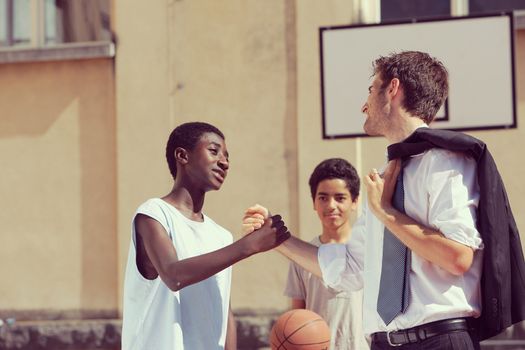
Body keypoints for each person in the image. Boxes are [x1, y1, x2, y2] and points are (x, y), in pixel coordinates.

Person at [243, 51, 525, 349]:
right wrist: (277, 238)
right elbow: (349, 269)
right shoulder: (383, 178)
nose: (364, 105)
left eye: (370, 90)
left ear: (392, 89)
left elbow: (457, 257)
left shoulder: (444, 162)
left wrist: (386, 212)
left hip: (438, 340)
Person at [122, 122, 290, 350]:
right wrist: (248, 245)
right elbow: (174, 275)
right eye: (214, 151)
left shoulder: (220, 235)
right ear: (182, 156)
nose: (225, 162)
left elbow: (224, 312)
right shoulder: (153, 213)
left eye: (227, 156)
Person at [284, 158, 369, 349]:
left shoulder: (368, 252)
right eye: (323, 197)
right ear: (314, 202)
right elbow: (297, 316)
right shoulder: (302, 257)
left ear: (355, 201)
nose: (331, 205)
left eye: (340, 198)